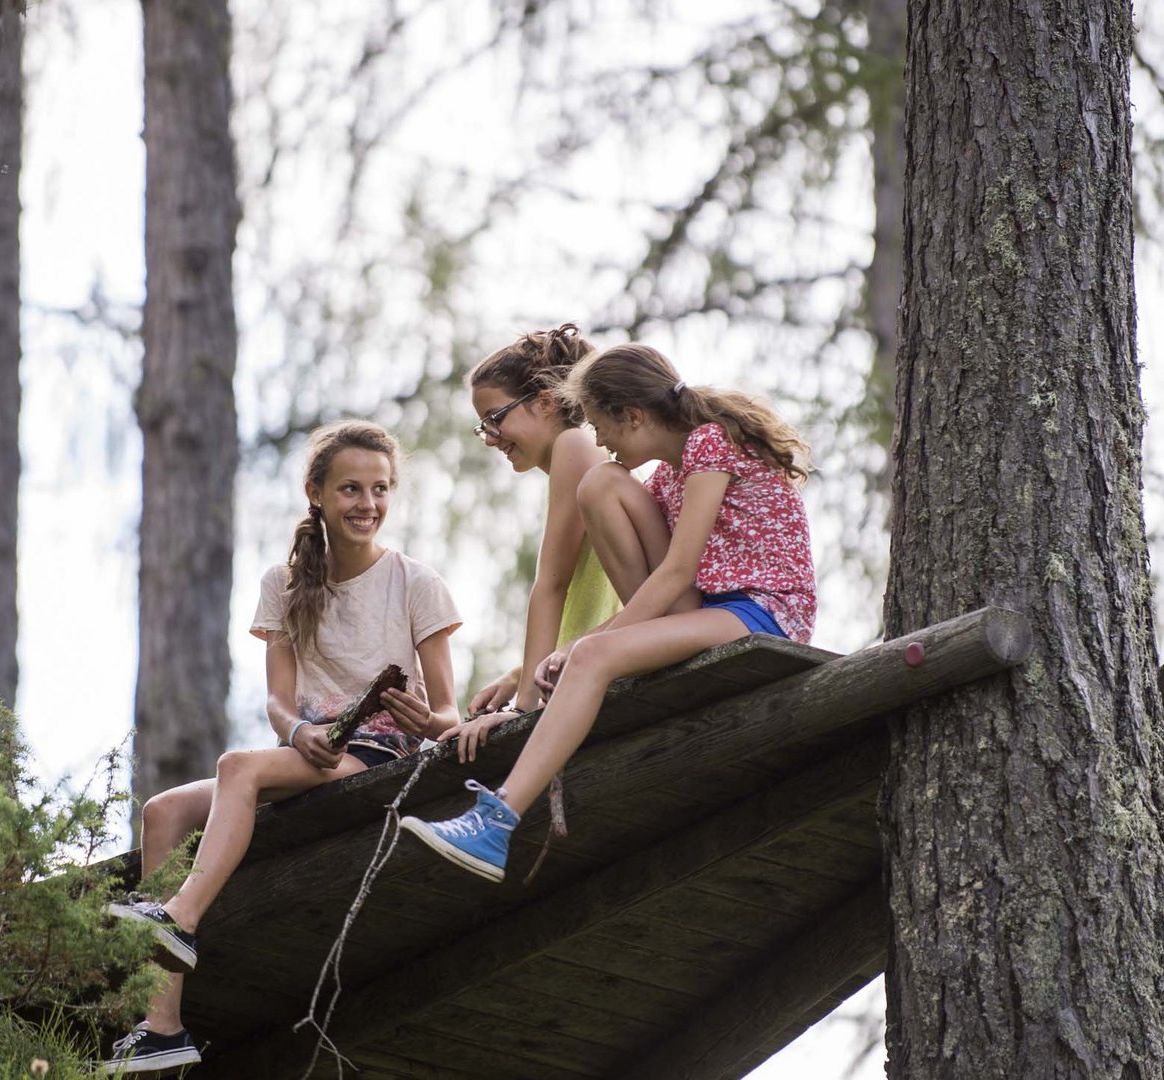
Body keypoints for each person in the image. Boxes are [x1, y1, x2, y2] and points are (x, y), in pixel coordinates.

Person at [103, 420, 463, 1074]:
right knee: (162, 811)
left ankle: (179, 915)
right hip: (309, 752)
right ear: (316, 493)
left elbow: (448, 715)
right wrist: (300, 731)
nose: (368, 503)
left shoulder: (415, 582)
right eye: (351, 488)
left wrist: (425, 720)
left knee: (238, 765)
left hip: (381, 760)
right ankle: (161, 1024)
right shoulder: (286, 583)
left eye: (380, 489)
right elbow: (278, 701)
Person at [401, 343, 813, 882]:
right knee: (602, 485)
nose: (597, 439)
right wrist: (538, 666)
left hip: (763, 612)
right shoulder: (668, 475)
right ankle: (498, 811)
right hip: (713, 608)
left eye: (601, 425)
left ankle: (494, 823)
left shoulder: (711, 443)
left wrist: (581, 647)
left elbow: (676, 573)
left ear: (634, 416)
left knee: (593, 656)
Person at [442, 324, 622, 765]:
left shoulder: (575, 444)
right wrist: (521, 674)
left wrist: (522, 711)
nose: (490, 437)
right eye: (481, 426)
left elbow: (552, 584)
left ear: (543, 401)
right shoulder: (573, 457)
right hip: (586, 662)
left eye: (495, 418)